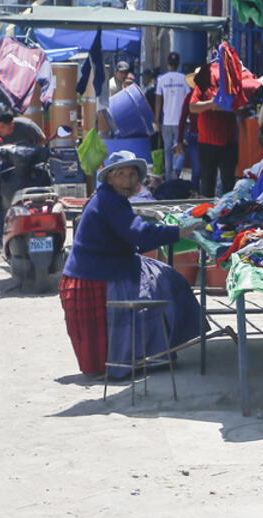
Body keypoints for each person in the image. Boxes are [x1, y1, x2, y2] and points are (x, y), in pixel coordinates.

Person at [59, 151, 202, 376]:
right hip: (97, 275)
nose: (127, 181)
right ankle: (148, 355)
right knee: (165, 282)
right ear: (110, 178)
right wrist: (180, 231)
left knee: (162, 274)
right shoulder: (109, 201)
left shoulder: (106, 197)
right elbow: (141, 236)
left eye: (132, 175)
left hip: (102, 266)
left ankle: (156, 351)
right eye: (121, 175)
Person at [0, 109, 46, 247]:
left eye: (2, 127)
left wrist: (32, 154)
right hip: (8, 168)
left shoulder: (28, 127)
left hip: (31, 165)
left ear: (12, 124)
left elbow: (42, 140)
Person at [188, 65, 239, 197]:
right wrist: (211, 104)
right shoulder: (203, 86)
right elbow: (192, 107)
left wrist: (226, 106)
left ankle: (227, 211)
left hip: (228, 141)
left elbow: (241, 107)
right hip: (207, 141)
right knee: (207, 180)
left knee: (228, 181)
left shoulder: (233, 87)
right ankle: (205, 210)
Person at [155, 52, 190, 179]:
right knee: (180, 150)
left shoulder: (161, 80)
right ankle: (176, 171)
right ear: (178, 63)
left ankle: (169, 180)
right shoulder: (184, 79)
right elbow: (188, 100)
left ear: (167, 63)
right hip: (181, 121)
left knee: (167, 152)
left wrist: (157, 120)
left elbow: (159, 100)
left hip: (166, 121)